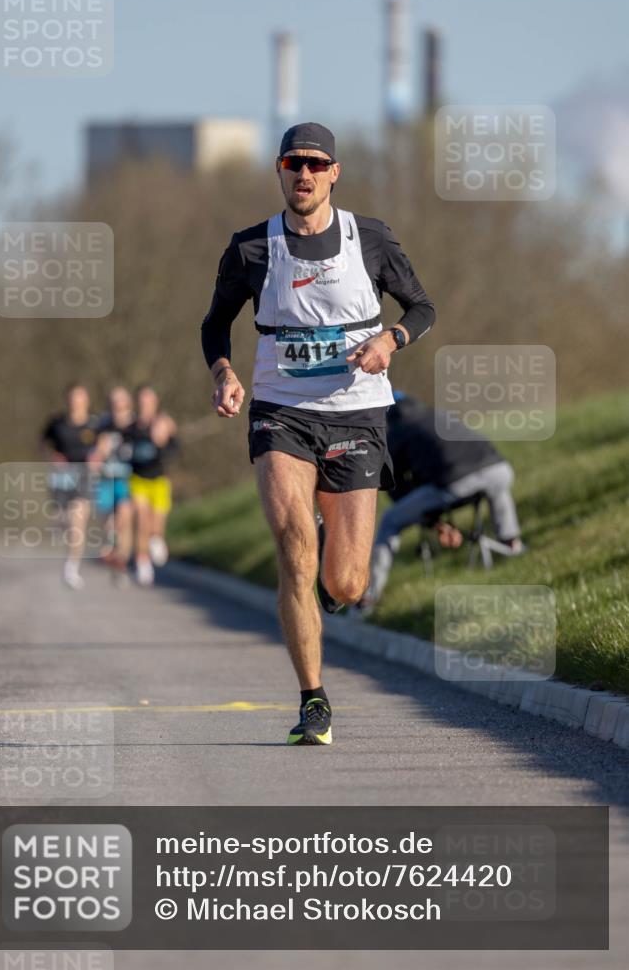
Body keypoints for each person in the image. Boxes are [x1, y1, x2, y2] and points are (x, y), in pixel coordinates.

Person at [201, 122, 435, 745]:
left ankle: (333, 553)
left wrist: (391, 339)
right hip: (282, 410)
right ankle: (313, 700)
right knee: (294, 548)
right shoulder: (252, 248)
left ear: (334, 172)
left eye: (315, 164)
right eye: (292, 163)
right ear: (279, 171)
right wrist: (223, 371)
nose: (303, 174)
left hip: (357, 413)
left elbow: (422, 307)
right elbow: (213, 326)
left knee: (345, 583)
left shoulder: (371, 238)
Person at [359, 393, 524, 611]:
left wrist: (435, 523)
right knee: (495, 483)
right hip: (500, 468)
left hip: (456, 482)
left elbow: (397, 489)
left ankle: (369, 597)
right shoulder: (438, 414)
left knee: (390, 519)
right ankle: (512, 545)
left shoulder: (396, 433)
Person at [41, 384, 99, 590]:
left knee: (78, 521)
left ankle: (71, 567)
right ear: (67, 400)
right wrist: (51, 456)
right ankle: (60, 528)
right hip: (61, 477)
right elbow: (43, 444)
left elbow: (106, 444)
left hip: (84, 476)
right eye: (73, 398)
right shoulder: (56, 423)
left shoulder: (95, 424)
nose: (76, 402)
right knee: (63, 520)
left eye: (80, 398)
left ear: (87, 400)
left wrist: (98, 457)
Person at [128, 385, 178, 586]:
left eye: (149, 402)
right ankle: (142, 562)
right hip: (137, 478)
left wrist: (163, 442)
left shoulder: (164, 423)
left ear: (155, 403)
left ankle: (156, 539)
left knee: (156, 526)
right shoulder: (131, 426)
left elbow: (176, 449)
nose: (145, 405)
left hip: (159, 479)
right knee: (142, 519)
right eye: (142, 402)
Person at [90, 386, 136, 585]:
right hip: (106, 477)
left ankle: (121, 562)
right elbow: (93, 453)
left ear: (128, 403)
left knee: (124, 517)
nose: (117, 405)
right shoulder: (102, 424)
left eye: (120, 401)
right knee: (106, 517)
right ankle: (111, 542)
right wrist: (98, 453)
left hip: (127, 478)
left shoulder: (137, 424)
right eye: (113, 401)